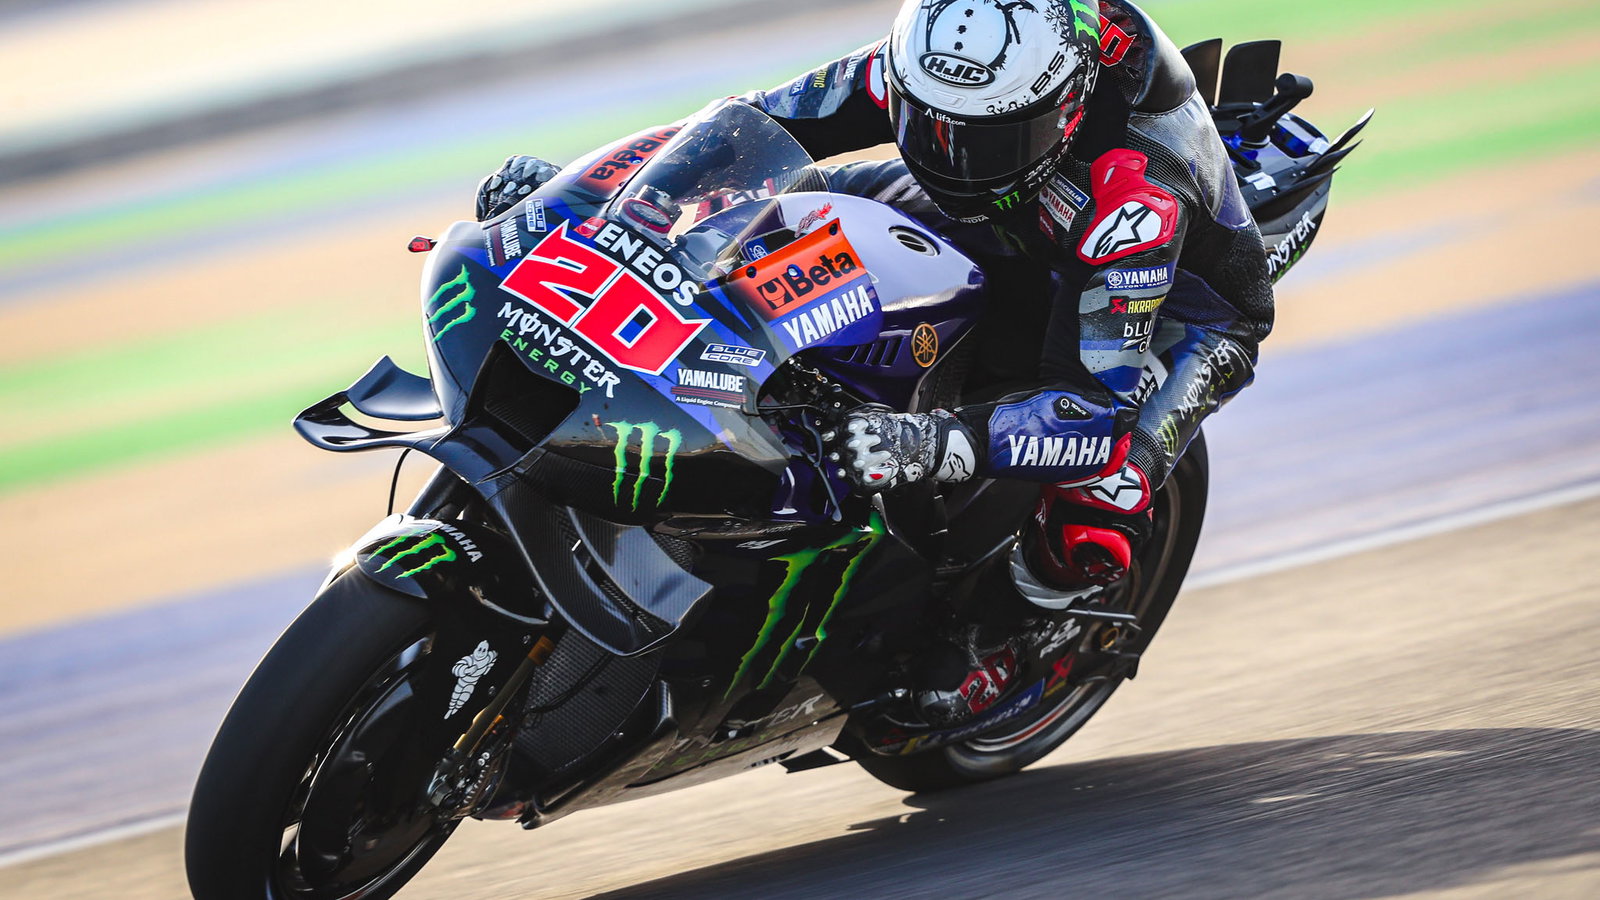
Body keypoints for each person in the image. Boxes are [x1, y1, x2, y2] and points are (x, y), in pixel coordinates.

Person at [475, 0, 1273, 726]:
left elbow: (1092, 414)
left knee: (1109, 481)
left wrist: (930, 446)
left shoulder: (1132, 200)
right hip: (1013, 217)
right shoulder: (936, 67)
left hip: (1169, 303)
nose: (952, 153)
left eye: (986, 138)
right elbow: (750, 128)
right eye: (932, 124)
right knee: (773, 218)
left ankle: (998, 634)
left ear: (1062, 111)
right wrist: (604, 207)